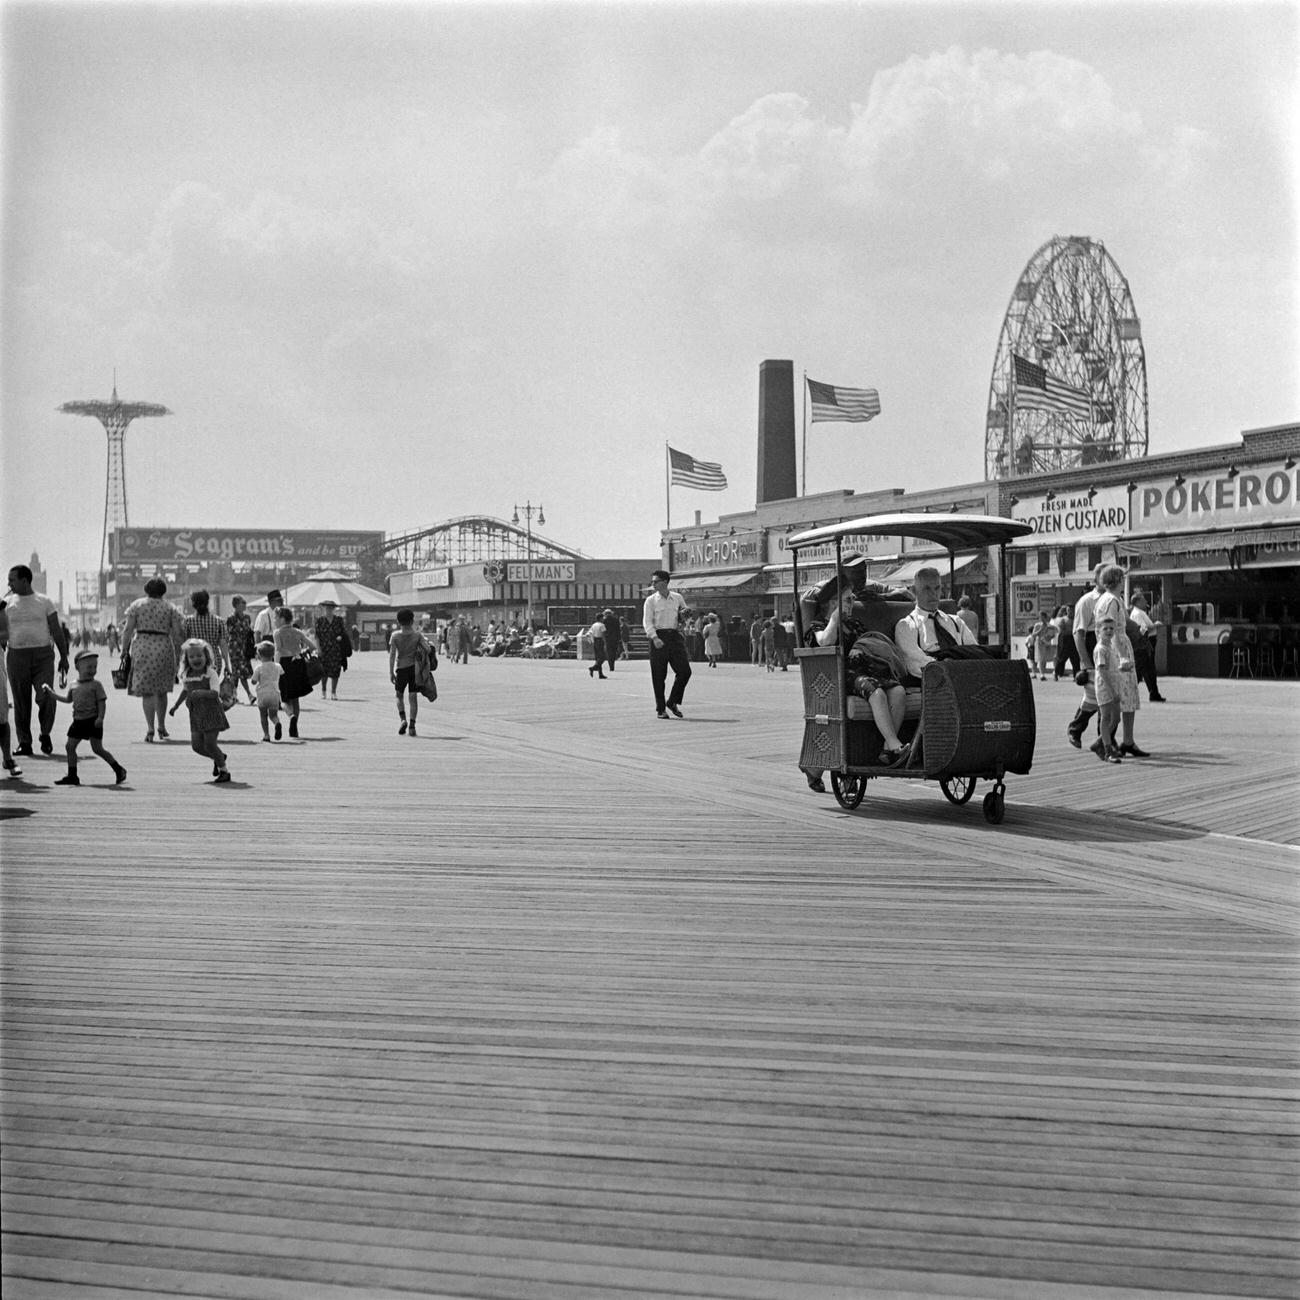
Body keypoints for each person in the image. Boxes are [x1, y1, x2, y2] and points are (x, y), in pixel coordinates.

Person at [3, 564, 69, 758]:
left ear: (25, 580)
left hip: (43, 656)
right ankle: (25, 742)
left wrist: (64, 657)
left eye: (12, 579)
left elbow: (56, 630)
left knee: (46, 696)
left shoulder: (44, 601)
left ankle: (45, 733)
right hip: (16, 655)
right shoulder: (6, 603)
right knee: (21, 701)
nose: (9, 583)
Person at [42, 648, 127, 785]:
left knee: (97, 749)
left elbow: (101, 703)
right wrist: (52, 694)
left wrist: (100, 718)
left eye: (94, 667)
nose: (92, 670)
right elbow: (67, 699)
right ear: (77, 667)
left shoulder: (96, 685)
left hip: (93, 721)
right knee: (70, 747)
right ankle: (72, 775)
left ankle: (118, 769)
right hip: (78, 721)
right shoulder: (73, 685)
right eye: (88, 667)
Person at [120, 577, 184, 742]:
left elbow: (128, 630)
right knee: (161, 690)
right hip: (163, 647)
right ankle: (161, 726)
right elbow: (178, 634)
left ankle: (150, 728)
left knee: (147, 691)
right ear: (164, 591)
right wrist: (181, 653)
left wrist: (124, 649)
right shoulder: (170, 608)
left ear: (146, 589)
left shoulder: (137, 605)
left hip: (142, 646)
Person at [1093, 564, 1148, 758]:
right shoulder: (1113, 601)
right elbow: (1113, 629)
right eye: (1122, 578)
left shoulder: (1103, 600)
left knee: (1124, 698)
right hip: (1118, 651)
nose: (1124, 581)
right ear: (1117, 580)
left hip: (1112, 650)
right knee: (1126, 697)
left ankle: (1122, 740)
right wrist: (1123, 656)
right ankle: (1114, 741)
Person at [894, 567, 979, 679]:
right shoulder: (907, 626)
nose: (933, 594)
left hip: (966, 677)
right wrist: (948, 666)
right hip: (936, 681)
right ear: (915, 591)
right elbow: (915, 663)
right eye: (927, 589)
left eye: (937, 588)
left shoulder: (956, 622)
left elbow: (975, 654)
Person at [169, 638, 232, 782]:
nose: (195, 659)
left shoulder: (210, 673)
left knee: (210, 743)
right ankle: (219, 757)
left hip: (212, 712)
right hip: (196, 713)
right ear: (186, 659)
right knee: (197, 746)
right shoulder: (187, 674)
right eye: (191, 657)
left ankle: (224, 771)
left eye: (199, 656)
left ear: (206, 656)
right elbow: (185, 691)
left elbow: (215, 693)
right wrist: (176, 706)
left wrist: (200, 693)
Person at [1066, 565, 1108, 748]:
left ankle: (1100, 737)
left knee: (1104, 696)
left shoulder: (1114, 599)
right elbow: (1079, 633)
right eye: (1106, 576)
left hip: (1108, 647)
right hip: (1093, 646)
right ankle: (1081, 730)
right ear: (1096, 579)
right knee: (1097, 695)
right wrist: (1085, 661)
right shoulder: (1086, 601)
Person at [643, 570, 691, 719]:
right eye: (652, 582)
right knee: (658, 675)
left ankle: (672, 701)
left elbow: (685, 615)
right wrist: (654, 638)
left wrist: (685, 619)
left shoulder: (677, 598)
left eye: (655, 581)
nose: (653, 584)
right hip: (659, 637)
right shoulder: (651, 600)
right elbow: (647, 622)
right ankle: (661, 709)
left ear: (665, 582)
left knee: (685, 672)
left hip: (675, 637)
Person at [274, 608, 317, 739]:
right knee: (296, 697)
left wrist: (276, 668)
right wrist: (300, 652)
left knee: (284, 698)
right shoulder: (298, 632)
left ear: (282, 619)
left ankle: (290, 716)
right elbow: (312, 646)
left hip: (284, 665)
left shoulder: (278, 633)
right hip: (298, 664)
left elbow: (278, 650)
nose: (275, 620)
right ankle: (295, 727)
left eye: (276, 618)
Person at [1090, 617, 1127, 764]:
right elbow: (1103, 671)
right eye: (1105, 628)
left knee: (1116, 719)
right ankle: (1107, 750)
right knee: (1106, 718)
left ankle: (1099, 742)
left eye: (1111, 628)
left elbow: (1110, 668)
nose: (1109, 631)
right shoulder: (1101, 649)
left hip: (1114, 686)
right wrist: (1112, 691)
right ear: (1098, 631)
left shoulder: (1110, 647)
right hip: (1106, 688)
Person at [388, 607, 430, 735]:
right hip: (415, 670)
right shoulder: (417, 635)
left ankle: (402, 719)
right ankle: (412, 726)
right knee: (413, 697)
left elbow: (392, 655)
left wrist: (391, 672)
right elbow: (428, 649)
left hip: (401, 668)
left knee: (399, 695)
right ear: (412, 621)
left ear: (398, 621)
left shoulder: (395, 635)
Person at [1129, 591, 1166, 702]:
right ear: (1138, 602)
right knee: (1144, 669)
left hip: (1147, 643)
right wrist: (1155, 625)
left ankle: (1153, 693)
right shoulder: (1137, 614)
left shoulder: (1140, 612)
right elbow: (1143, 630)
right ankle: (1131, 692)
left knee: (1147, 670)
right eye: (1143, 600)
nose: (1146, 602)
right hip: (1144, 644)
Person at [182, 589, 226, 678]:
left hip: (193, 660)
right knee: (212, 688)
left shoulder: (188, 621)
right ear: (207, 602)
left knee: (194, 688)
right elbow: (223, 645)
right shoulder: (219, 621)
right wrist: (228, 666)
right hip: (215, 661)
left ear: (193, 603)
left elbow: (184, 644)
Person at [313, 600, 351, 699]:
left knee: (335, 671)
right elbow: (317, 636)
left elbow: (343, 633)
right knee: (324, 671)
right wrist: (318, 649)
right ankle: (323, 691)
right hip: (324, 648)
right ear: (323, 609)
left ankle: (333, 692)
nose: (328, 610)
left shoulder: (339, 620)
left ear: (333, 609)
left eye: (330, 608)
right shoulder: (320, 620)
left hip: (336, 649)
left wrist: (341, 637)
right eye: (326, 608)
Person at [225, 595, 257, 704]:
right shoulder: (231, 619)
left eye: (244, 602)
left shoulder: (247, 618)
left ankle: (233, 695)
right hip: (235, 649)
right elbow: (228, 633)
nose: (244, 605)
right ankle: (249, 694)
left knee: (237, 673)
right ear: (236, 605)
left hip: (245, 648)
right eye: (242, 603)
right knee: (240, 672)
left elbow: (249, 633)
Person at [250, 641, 284, 741]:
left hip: (262, 695)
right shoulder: (278, 666)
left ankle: (266, 735)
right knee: (273, 715)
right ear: (273, 654)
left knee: (263, 715)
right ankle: (277, 723)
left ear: (259, 655)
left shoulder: (259, 668)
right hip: (274, 694)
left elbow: (253, 681)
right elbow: (282, 675)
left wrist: (255, 679)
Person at [1051, 604, 1080, 681]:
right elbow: (1062, 630)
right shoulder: (1063, 619)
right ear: (1067, 611)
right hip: (1064, 639)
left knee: (1075, 659)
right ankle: (1056, 673)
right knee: (1061, 658)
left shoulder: (1077, 619)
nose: (1070, 612)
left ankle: (1076, 675)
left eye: (1072, 610)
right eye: (1069, 610)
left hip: (1074, 639)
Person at [1026, 611, 1055, 681]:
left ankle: (1043, 673)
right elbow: (1033, 634)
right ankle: (1042, 674)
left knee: (1044, 659)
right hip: (1039, 643)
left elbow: (1053, 634)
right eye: (1040, 618)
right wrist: (1040, 630)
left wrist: (1050, 637)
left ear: (1045, 617)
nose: (1041, 619)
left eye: (1042, 617)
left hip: (1047, 643)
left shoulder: (1050, 625)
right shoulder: (1037, 625)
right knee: (1041, 659)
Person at [601, 609, 622, 674]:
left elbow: (603, 630)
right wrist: (619, 638)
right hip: (615, 638)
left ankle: (611, 666)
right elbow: (618, 630)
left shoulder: (604, 621)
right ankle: (613, 664)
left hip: (607, 638)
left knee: (609, 652)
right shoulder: (616, 620)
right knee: (614, 651)